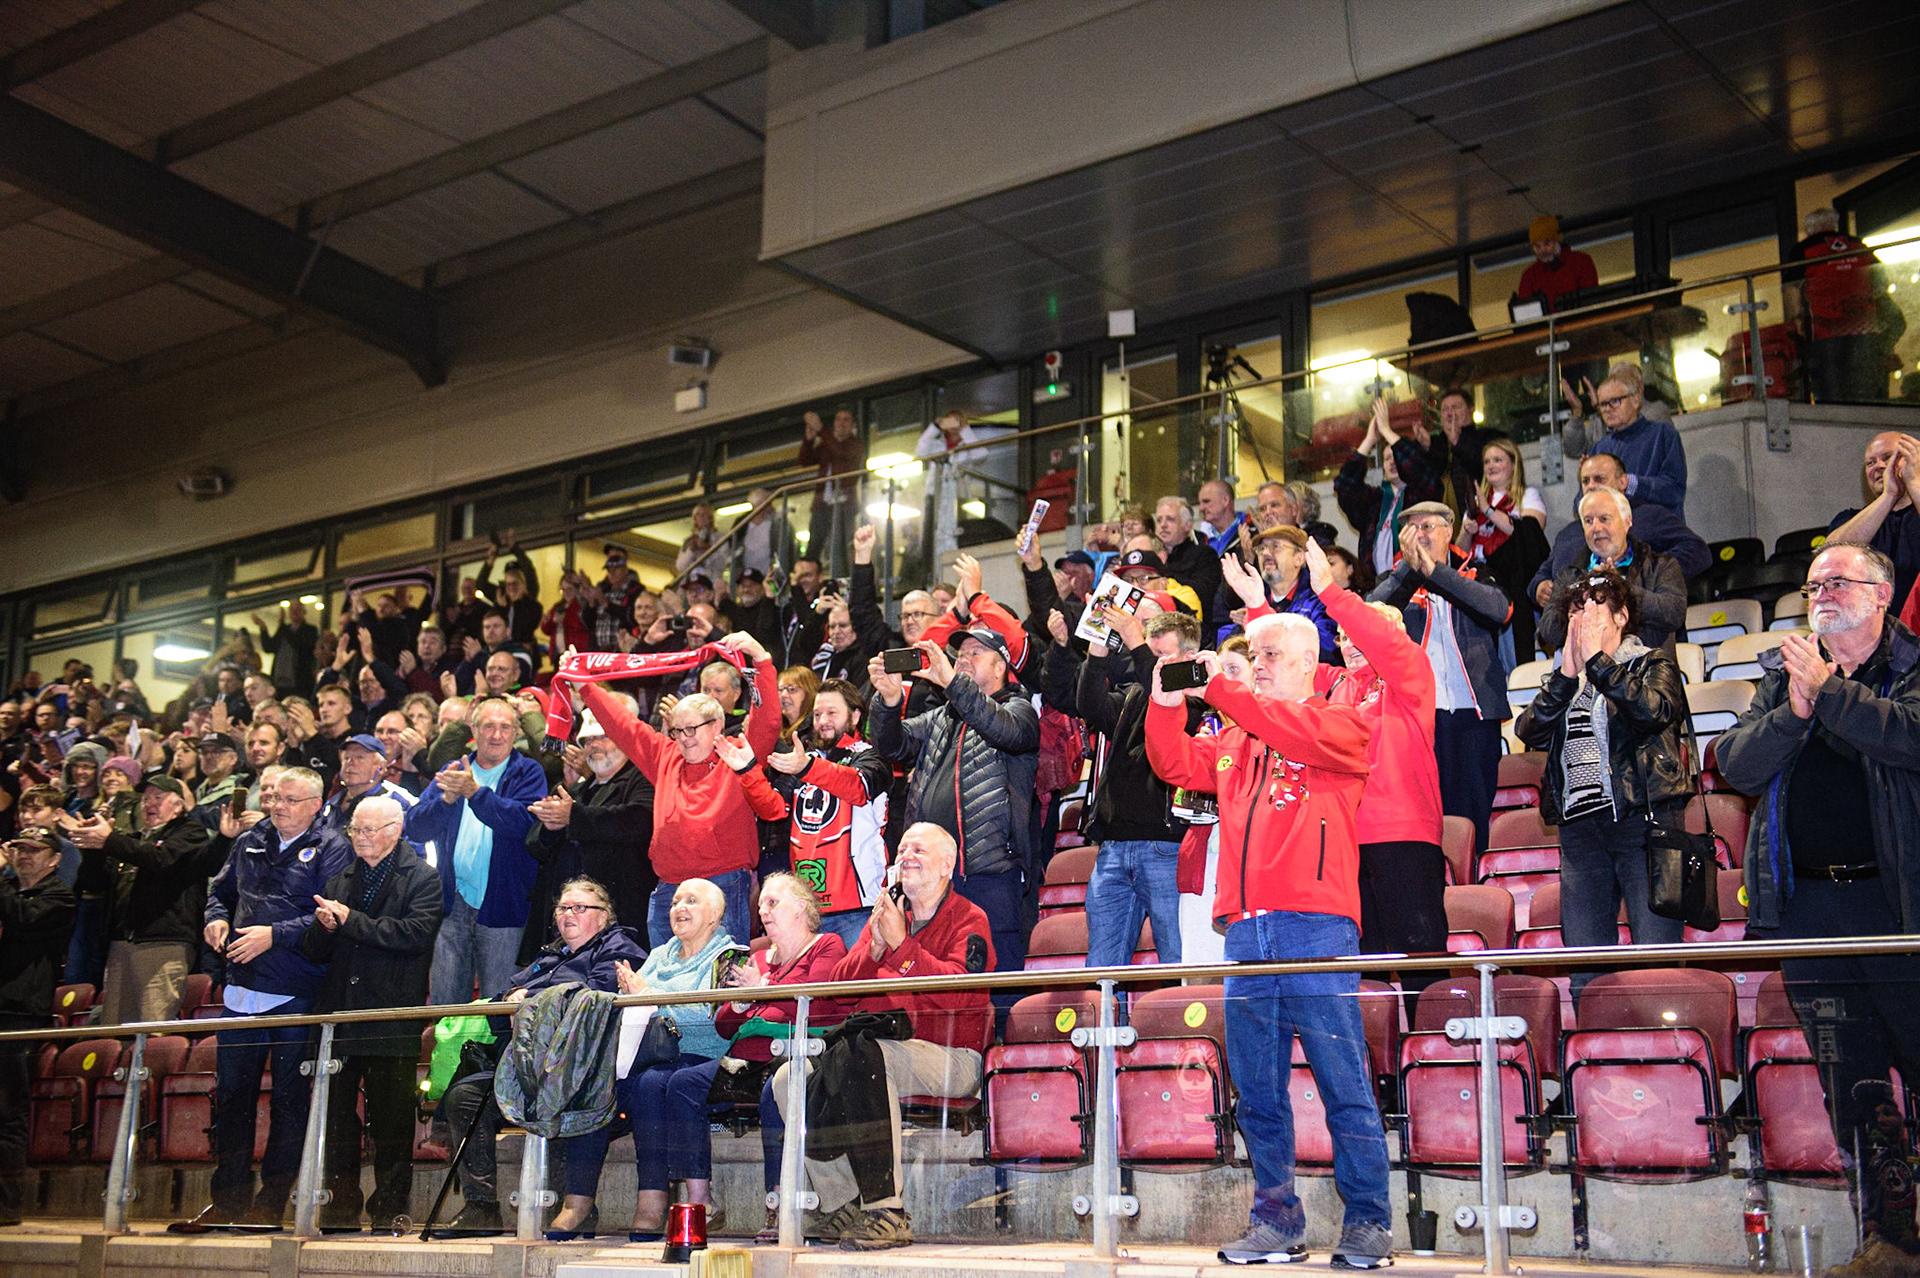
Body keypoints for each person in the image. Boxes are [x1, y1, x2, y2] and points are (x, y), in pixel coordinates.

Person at [1142, 614, 1390, 1269]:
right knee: (1257, 1092)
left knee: (1343, 1083)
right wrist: (1165, 700)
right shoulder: (1237, 742)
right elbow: (1171, 760)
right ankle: (1276, 1220)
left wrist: (1221, 693)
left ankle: (1370, 1222)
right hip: (1248, 933)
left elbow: (1292, 728)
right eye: (1252, 653)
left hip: (1316, 924)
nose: (1256, 663)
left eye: (1270, 653)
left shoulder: (1342, 723)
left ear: (1310, 661)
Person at [1716, 542, 1920, 1277]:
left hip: (1900, 912)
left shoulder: (1911, 667)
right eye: (1813, 584)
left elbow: (1907, 737)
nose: (1821, 592)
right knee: (1854, 1089)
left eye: (1837, 581)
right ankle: (1889, 1244)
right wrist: (1797, 708)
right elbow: (1734, 763)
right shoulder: (1789, 679)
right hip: (1811, 916)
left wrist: (1828, 694)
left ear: (1882, 593)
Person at [769, 823, 993, 1251]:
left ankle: (887, 1209)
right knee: (788, 1077)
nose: (906, 854)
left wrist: (903, 947)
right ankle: (842, 1205)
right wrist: (872, 949)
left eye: (919, 849)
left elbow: (962, 994)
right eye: (902, 847)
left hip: (954, 1057)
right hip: (879, 1050)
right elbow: (838, 989)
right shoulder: (889, 916)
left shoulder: (970, 918)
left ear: (947, 865)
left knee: (862, 1056)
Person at [1276, 541, 1445, 997]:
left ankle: (1435, 1057)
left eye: (1358, 635)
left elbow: (1380, 638)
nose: (1349, 643)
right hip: (1346, 841)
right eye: (1343, 637)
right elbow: (1288, 676)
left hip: (1403, 834)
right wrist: (1258, 608)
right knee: (1361, 964)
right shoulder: (1340, 688)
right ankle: (1377, 1066)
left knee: (1420, 958)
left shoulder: (1410, 675)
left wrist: (1331, 592)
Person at [186, 766, 352, 1230]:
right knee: (233, 1097)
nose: (278, 806)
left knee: (288, 1100)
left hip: (295, 991)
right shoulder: (249, 840)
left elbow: (332, 916)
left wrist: (274, 935)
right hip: (240, 989)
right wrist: (215, 919)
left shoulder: (333, 848)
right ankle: (228, 1199)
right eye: (274, 797)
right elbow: (218, 893)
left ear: (316, 805)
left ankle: (272, 1200)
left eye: (290, 800)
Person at [1516, 569, 1690, 998]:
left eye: (1597, 608)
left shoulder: (1653, 662)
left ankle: (1666, 1052)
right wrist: (1565, 677)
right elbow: (1530, 731)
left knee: (1657, 961)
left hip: (1642, 824)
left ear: (1622, 616)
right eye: (1577, 611)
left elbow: (1653, 712)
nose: (1586, 618)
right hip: (1580, 830)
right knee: (1585, 961)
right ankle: (1595, 1051)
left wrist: (1599, 664)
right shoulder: (1565, 679)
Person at [440, 876, 646, 1235]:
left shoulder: (618, 950)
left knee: (560, 1094)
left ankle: (573, 1206)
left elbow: (591, 1004)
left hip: (580, 1067)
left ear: (604, 916)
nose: (568, 914)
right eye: (563, 907)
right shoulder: (550, 955)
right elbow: (506, 994)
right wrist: (510, 999)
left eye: (579, 908)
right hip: (523, 1064)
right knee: (464, 1097)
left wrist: (531, 1002)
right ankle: (481, 1206)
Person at [551, 877, 736, 1240]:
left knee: (652, 1085)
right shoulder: (660, 954)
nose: (679, 908)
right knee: (596, 1084)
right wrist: (639, 996)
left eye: (691, 901)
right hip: (652, 1055)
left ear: (715, 915)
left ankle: (652, 1200)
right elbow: (634, 1005)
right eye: (675, 901)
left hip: (700, 1055)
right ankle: (578, 1202)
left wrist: (649, 995)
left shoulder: (727, 956)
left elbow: (707, 1019)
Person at [574, 632, 780, 948]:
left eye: (691, 729)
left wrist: (761, 660)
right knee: (665, 984)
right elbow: (623, 726)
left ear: (717, 726)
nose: (682, 738)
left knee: (721, 981)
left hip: (723, 882)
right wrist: (584, 686)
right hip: (668, 888)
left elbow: (767, 722)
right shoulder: (666, 756)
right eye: (676, 730)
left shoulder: (738, 754)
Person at [302, 794, 443, 1232]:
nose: (360, 838)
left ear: (395, 830)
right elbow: (314, 952)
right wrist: (324, 928)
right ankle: (341, 1207)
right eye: (355, 830)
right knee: (338, 1120)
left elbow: (416, 935)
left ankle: (390, 1209)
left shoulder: (422, 878)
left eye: (368, 830)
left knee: (392, 1122)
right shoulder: (341, 878)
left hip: (389, 1015)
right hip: (341, 1016)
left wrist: (350, 922)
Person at [869, 628, 1038, 973]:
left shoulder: (1019, 709)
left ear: (1000, 667)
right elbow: (892, 747)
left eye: (976, 652)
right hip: (936, 877)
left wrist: (952, 683)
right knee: (938, 972)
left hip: (990, 873)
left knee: (997, 974)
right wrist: (888, 702)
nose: (963, 658)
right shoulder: (942, 717)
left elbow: (1003, 729)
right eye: (960, 653)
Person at [1371, 502, 1512, 853]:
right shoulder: (1397, 581)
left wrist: (1435, 572)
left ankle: (1473, 888)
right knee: (1423, 813)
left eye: (1429, 526)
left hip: (1474, 714)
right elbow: (1370, 618)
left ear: (1450, 532)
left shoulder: (1478, 572)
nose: (1421, 534)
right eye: (1412, 529)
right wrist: (1409, 571)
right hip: (1417, 719)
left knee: (1474, 813)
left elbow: (1499, 611)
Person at [405, 697, 549, 1006]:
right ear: (474, 730)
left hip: (504, 905)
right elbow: (415, 827)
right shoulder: (453, 770)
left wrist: (474, 793)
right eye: (489, 727)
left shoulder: (529, 772)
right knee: (447, 1006)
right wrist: (445, 801)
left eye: (505, 727)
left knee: (498, 1006)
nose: (497, 735)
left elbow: (525, 824)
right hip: (451, 903)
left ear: (516, 732)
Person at [1077, 607, 1200, 966]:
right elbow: (1091, 706)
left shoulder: (1198, 702)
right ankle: (1105, 1024)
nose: (1152, 664)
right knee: (1101, 966)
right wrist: (1099, 648)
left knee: (1178, 959)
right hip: (1114, 845)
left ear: (1189, 658)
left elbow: (1168, 692)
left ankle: (1184, 1025)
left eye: (1162, 655)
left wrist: (1134, 639)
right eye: (1150, 655)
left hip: (1165, 847)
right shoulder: (1135, 695)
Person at [65, 774, 218, 1025]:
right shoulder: (131, 840)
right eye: (145, 799)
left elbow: (161, 859)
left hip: (164, 943)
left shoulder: (189, 832)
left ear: (178, 806)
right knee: (112, 1029)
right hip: (121, 944)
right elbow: (95, 885)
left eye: (159, 798)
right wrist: (93, 849)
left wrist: (111, 840)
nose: (149, 804)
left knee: (151, 1028)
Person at [761, 679, 891, 947]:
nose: (822, 721)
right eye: (818, 714)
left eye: (832, 713)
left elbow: (857, 786)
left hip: (859, 906)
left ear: (855, 716)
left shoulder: (870, 756)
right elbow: (772, 810)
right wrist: (747, 771)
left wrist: (807, 767)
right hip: (809, 910)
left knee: (856, 988)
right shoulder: (807, 760)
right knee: (811, 990)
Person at [523, 707, 656, 960]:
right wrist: (551, 828)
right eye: (588, 740)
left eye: (603, 737)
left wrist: (573, 817)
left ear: (624, 738)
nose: (594, 745)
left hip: (617, 920)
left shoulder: (643, 779)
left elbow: (638, 821)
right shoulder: (576, 790)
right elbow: (534, 845)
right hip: (562, 923)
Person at [0, 827, 76, 1226]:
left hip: (19, 1013)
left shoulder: (58, 897)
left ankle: (6, 1205)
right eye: (18, 848)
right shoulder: (9, 888)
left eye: (33, 850)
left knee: (7, 1110)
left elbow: (21, 920)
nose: (23, 856)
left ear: (54, 859)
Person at [1534, 487, 1689, 657]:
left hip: (1648, 675)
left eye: (1604, 519)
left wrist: (1621, 587)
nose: (1596, 528)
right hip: (1589, 678)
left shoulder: (1661, 566)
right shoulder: (1570, 576)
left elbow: (1674, 615)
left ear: (1627, 521)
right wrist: (1583, 597)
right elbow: (1549, 631)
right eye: (1588, 521)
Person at [1533, 453, 1711, 594]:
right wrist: (1539, 587)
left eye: (1599, 479)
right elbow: (1544, 573)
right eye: (1585, 481)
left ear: (1623, 482)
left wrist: (1645, 577)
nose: (1591, 486)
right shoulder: (1568, 533)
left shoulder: (1650, 515)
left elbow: (1698, 551)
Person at [1786, 207, 1888, 404]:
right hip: (1864, 328)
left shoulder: (1804, 250)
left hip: (1824, 330)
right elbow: (1881, 281)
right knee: (1864, 391)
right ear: (1833, 224)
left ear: (1810, 229)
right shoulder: (1857, 245)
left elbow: (1791, 288)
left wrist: (1796, 319)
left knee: (1831, 392)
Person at [1337, 397, 1443, 579]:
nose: (1392, 461)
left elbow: (1419, 469)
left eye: (1396, 455)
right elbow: (1345, 486)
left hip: (1414, 584)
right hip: (1376, 588)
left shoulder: (1420, 494)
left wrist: (1387, 430)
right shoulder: (1375, 499)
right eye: (1386, 458)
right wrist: (1369, 440)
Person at [1830, 432, 1920, 608]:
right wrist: (1889, 495)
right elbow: (1831, 556)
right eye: (1870, 463)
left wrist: (1914, 482)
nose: (1879, 466)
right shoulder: (1850, 518)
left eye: (1888, 458)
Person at [1585, 366, 1688, 515]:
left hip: (1657, 528)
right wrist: (1588, 483)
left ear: (1635, 400)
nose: (1607, 409)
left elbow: (1674, 490)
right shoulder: (1600, 449)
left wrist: (1630, 484)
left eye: (1615, 401)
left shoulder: (1663, 434)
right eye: (1602, 404)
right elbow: (1578, 505)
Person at [802, 409, 863, 577]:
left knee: (842, 546)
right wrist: (809, 439)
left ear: (853, 425)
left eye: (846, 419)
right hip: (822, 503)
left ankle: (843, 581)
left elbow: (840, 452)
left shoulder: (855, 445)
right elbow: (805, 460)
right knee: (814, 544)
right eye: (838, 419)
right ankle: (807, 577)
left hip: (844, 505)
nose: (841, 423)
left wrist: (821, 430)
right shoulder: (827, 444)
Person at [319, 733, 415, 833]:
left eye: (360, 757)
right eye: (346, 757)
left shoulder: (398, 801)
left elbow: (419, 840)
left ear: (381, 766)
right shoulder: (333, 802)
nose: (350, 762)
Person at [1156, 496, 1225, 635]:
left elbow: (1202, 594)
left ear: (1187, 525)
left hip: (1190, 631)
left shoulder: (1204, 555)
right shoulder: (1151, 557)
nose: (1163, 525)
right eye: (1159, 520)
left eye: (1170, 519)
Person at [1423, 388, 1497, 512]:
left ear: (1471, 409)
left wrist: (1458, 441)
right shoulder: (1435, 444)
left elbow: (1483, 469)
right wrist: (1426, 448)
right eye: (1445, 409)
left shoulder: (1488, 438)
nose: (1450, 413)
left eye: (1456, 407)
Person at [1516, 214, 1598, 312]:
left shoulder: (1581, 262)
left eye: (1547, 244)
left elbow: (1591, 300)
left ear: (1557, 241)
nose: (1543, 250)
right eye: (1537, 246)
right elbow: (1525, 312)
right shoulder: (1529, 277)